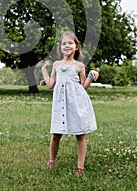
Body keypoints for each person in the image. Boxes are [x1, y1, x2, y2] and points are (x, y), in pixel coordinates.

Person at [41, 31, 99, 174]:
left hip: (76, 103)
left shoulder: (79, 66)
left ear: (76, 47)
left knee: (80, 134)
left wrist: (91, 76)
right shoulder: (56, 65)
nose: (67, 46)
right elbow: (50, 84)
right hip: (60, 104)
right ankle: (52, 160)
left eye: (70, 43)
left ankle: (80, 166)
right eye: (64, 43)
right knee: (56, 134)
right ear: (60, 47)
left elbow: (83, 86)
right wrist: (44, 70)